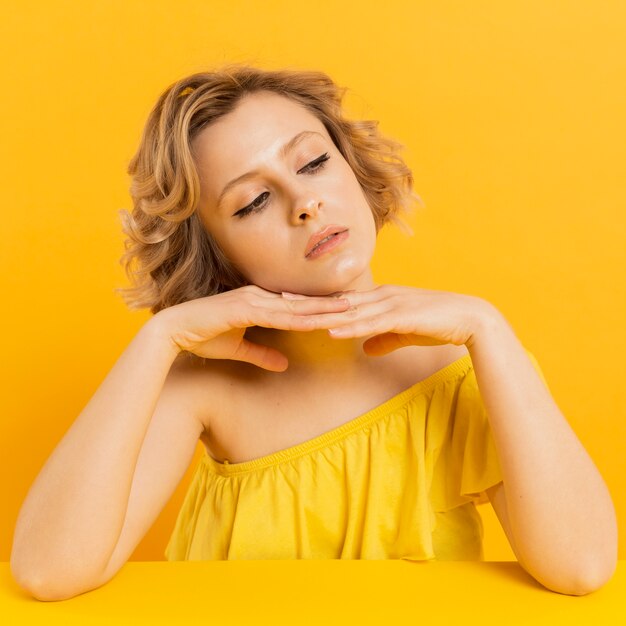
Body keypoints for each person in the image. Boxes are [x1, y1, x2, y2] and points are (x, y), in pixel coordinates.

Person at [10, 64, 617, 601]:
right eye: (251, 203)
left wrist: (488, 328)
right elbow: (46, 572)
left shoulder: (461, 375)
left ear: (352, 168)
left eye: (314, 162)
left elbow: (582, 566)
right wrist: (159, 338)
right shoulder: (205, 390)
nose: (305, 202)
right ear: (216, 254)